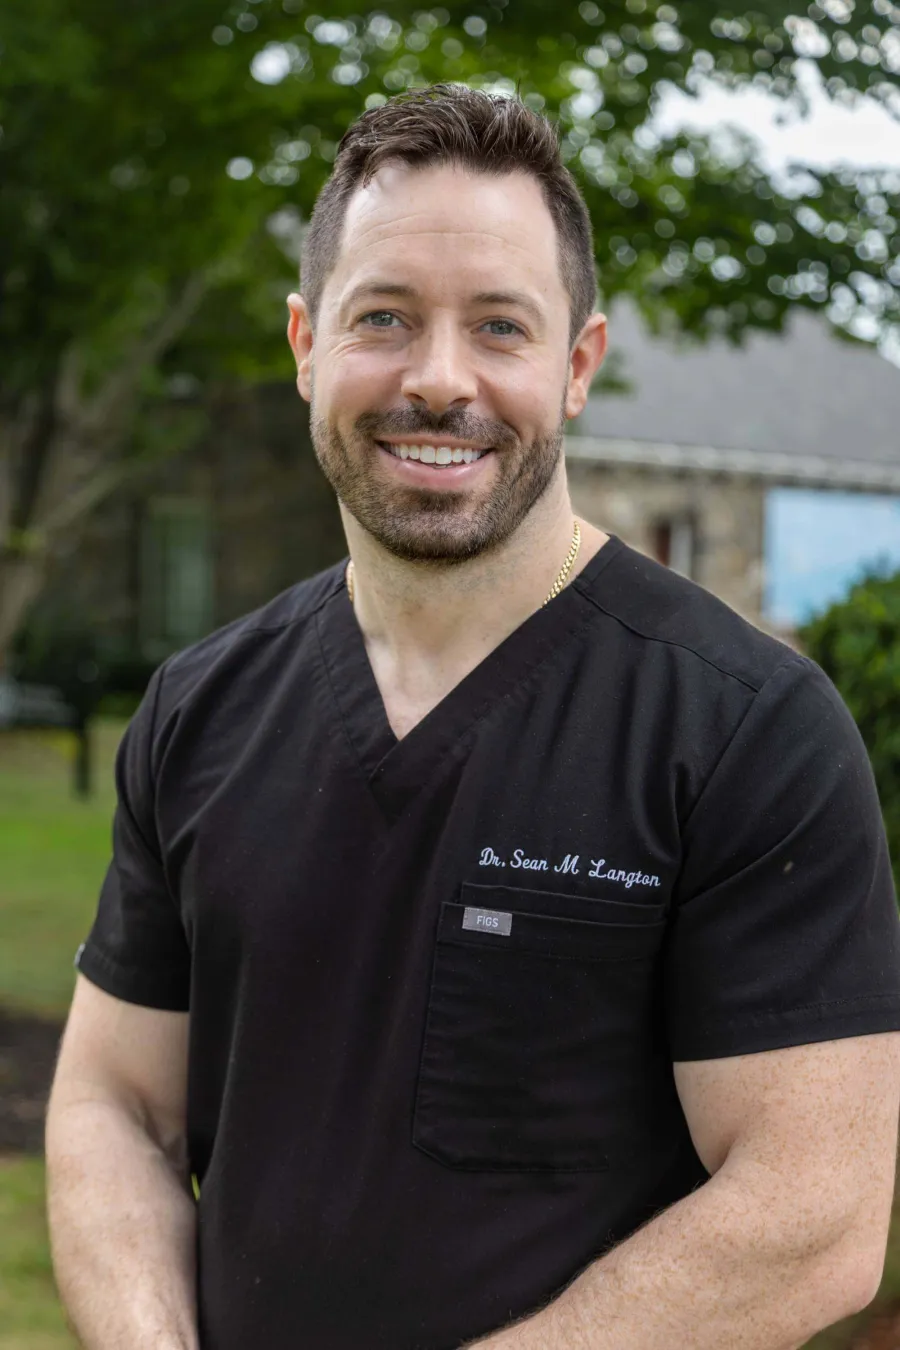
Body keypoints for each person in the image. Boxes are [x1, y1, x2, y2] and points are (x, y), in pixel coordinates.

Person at [46, 84, 900, 1350]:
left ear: (577, 366)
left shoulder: (743, 728)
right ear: (305, 345)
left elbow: (816, 1217)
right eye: (383, 317)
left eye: (499, 328)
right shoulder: (200, 708)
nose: (439, 380)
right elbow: (113, 1104)